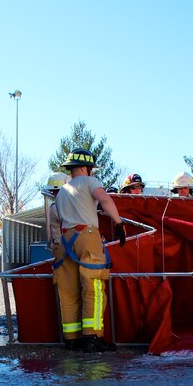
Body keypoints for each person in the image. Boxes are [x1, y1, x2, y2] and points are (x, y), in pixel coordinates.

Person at [53, 148, 125, 352]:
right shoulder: (89, 182)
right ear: (85, 168)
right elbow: (104, 199)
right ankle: (93, 337)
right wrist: (118, 223)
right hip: (86, 235)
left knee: (68, 290)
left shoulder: (62, 192)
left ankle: (72, 338)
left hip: (65, 241)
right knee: (93, 286)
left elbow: (56, 221)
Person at [43, 171, 70, 258]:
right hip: (65, 248)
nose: (53, 194)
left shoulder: (55, 207)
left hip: (62, 247)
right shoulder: (58, 208)